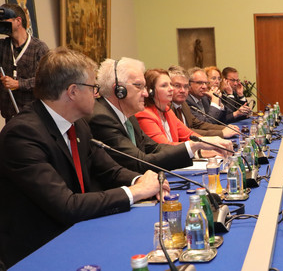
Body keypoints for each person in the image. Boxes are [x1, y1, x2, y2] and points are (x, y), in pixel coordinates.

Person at [0, 47, 168, 268]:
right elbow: (66, 205)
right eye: (93, 87)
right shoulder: (22, 135)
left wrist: (141, 180)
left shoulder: (78, 125)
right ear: (72, 91)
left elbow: (110, 170)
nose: (96, 94)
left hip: (80, 232)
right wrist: (136, 191)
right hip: (40, 251)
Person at [87, 59, 227, 173]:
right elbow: (139, 161)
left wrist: (198, 146)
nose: (145, 93)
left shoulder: (129, 116)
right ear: (119, 90)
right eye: (139, 86)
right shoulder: (102, 118)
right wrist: (195, 147)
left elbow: (155, 147)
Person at [135, 69, 228, 158]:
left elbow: (189, 135)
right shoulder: (145, 115)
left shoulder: (167, 111)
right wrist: (198, 150)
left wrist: (212, 143)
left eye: (171, 84)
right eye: (164, 85)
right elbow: (164, 147)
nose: (171, 89)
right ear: (150, 92)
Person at [0, 4, 49, 123]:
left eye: (4, 21)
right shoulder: (3, 46)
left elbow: (46, 80)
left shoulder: (39, 48)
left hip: (33, 117)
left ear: (18, 21)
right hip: (9, 116)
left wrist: (18, 84)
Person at [167, 65, 238, 138]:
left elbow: (199, 124)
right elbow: (185, 131)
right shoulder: (169, 107)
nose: (182, 90)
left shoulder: (183, 104)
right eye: (177, 86)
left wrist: (225, 128)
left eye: (185, 86)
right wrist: (222, 133)